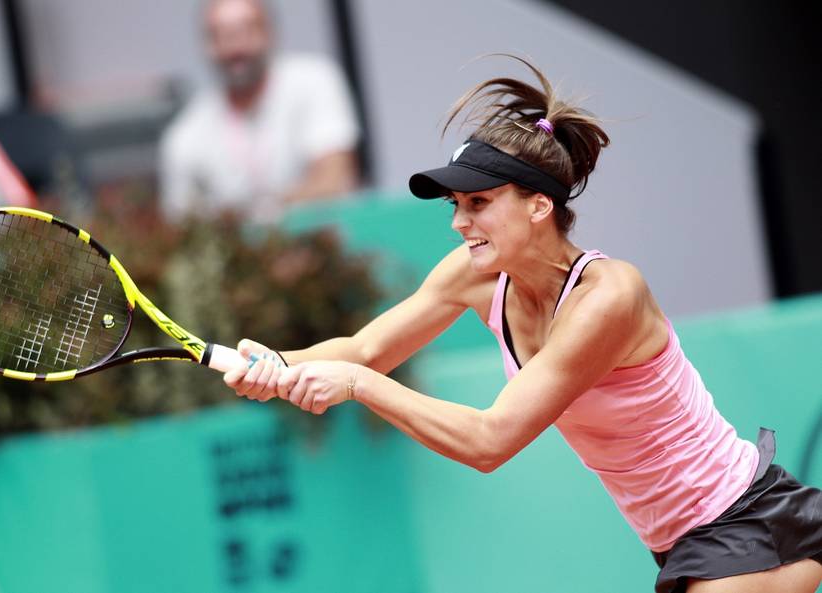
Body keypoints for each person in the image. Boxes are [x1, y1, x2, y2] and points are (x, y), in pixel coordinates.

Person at [221, 58, 822, 592]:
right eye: (456, 206)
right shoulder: (475, 273)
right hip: (688, 545)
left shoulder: (609, 296)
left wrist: (355, 386)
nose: (460, 222)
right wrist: (274, 365)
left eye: (479, 202)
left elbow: (489, 442)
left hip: (748, 524)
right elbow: (364, 348)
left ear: (540, 205)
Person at [159, 0, 360, 223]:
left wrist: (260, 213)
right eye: (220, 35)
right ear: (206, 45)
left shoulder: (315, 81)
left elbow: (335, 180)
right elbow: (182, 225)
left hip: (324, 244)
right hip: (238, 257)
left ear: (270, 32)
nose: (235, 46)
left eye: (246, 29)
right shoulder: (185, 135)